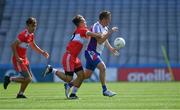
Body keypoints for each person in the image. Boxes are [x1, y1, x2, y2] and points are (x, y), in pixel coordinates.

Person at [43, 14, 117, 99]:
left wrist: (109, 46)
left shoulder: (83, 30)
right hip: (70, 56)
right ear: (79, 23)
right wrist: (99, 34)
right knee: (69, 78)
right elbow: (92, 35)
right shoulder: (81, 30)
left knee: (83, 76)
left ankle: (72, 92)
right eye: (83, 21)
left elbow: (94, 36)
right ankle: (51, 69)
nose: (85, 22)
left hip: (75, 57)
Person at [71, 11, 119, 97]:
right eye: (108, 19)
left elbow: (105, 40)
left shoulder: (105, 28)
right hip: (91, 52)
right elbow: (100, 41)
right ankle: (105, 90)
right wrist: (110, 32)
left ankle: (70, 87)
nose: (109, 21)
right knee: (102, 67)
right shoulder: (96, 26)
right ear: (103, 19)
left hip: (96, 53)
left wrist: (111, 48)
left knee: (86, 76)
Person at [3, 17, 49, 98]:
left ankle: (20, 94)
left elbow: (33, 46)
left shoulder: (31, 35)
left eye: (35, 26)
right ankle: (9, 79)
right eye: (32, 26)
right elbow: (13, 45)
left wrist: (42, 52)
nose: (34, 28)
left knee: (29, 77)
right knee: (28, 79)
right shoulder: (23, 35)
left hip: (24, 59)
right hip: (19, 60)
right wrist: (17, 58)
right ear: (27, 26)